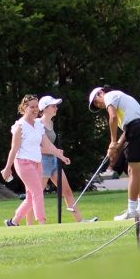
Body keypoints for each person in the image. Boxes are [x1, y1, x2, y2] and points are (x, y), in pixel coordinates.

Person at [0, 94, 70, 226]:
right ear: (24, 108)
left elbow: (48, 145)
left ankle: (13, 221)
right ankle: (42, 223)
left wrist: (61, 157)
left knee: (31, 196)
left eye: (37, 106)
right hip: (23, 163)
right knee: (37, 191)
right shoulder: (19, 126)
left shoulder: (38, 125)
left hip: (37, 164)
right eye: (32, 107)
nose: (35, 109)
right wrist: (8, 167)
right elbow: (14, 149)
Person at [88, 86, 140, 220]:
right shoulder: (123, 100)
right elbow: (127, 130)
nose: (99, 105)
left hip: (137, 129)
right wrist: (116, 147)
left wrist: (112, 142)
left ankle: (131, 211)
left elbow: (112, 118)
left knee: (132, 171)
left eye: (96, 101)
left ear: (100, 93)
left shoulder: (109, 96)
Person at [37, 95, 97, 223]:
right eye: (53, 106)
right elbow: (36, 148)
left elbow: (51, 146)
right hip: (42, 162)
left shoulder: (51, 123)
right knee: (36, 195)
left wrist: (59, 155)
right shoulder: (38, 124)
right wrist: (57, 153)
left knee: (67, 191)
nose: (56, 108)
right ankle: (22, 222)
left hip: (54, 161)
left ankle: (80, 220)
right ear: (45, 108)